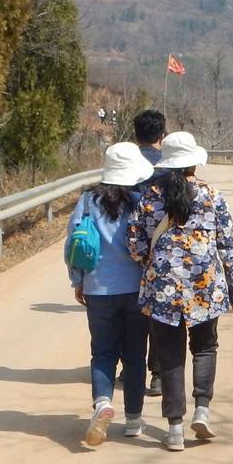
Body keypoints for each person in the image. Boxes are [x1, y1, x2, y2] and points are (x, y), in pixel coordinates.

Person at [129, 131, 233, 452]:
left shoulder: (149, 197)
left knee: (169, 357)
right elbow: (228, 246)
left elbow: (136, 246)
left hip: (163, 289)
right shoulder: (211, 195)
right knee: (205, 347)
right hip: (205, 287)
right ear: (194, 161)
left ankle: (175, 429)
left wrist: (155, 265)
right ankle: (203, 411)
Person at [68, 143, 155, 446]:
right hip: (136, 290)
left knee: (103, 352)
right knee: (135, 355)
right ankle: (133, 420)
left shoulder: (88, 201)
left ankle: (103, 403)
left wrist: (78, 281)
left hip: (98, 290)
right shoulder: (143, 201)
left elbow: (74, 244)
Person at [131, 107, 168, 395]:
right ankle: (157, 374)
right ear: (162, 135)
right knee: (156, 314)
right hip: (160, 251)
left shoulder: (126, 166)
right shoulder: (169, 166)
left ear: (135, 135)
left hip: (127, 250)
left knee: (130, 314)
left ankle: (131, 369)